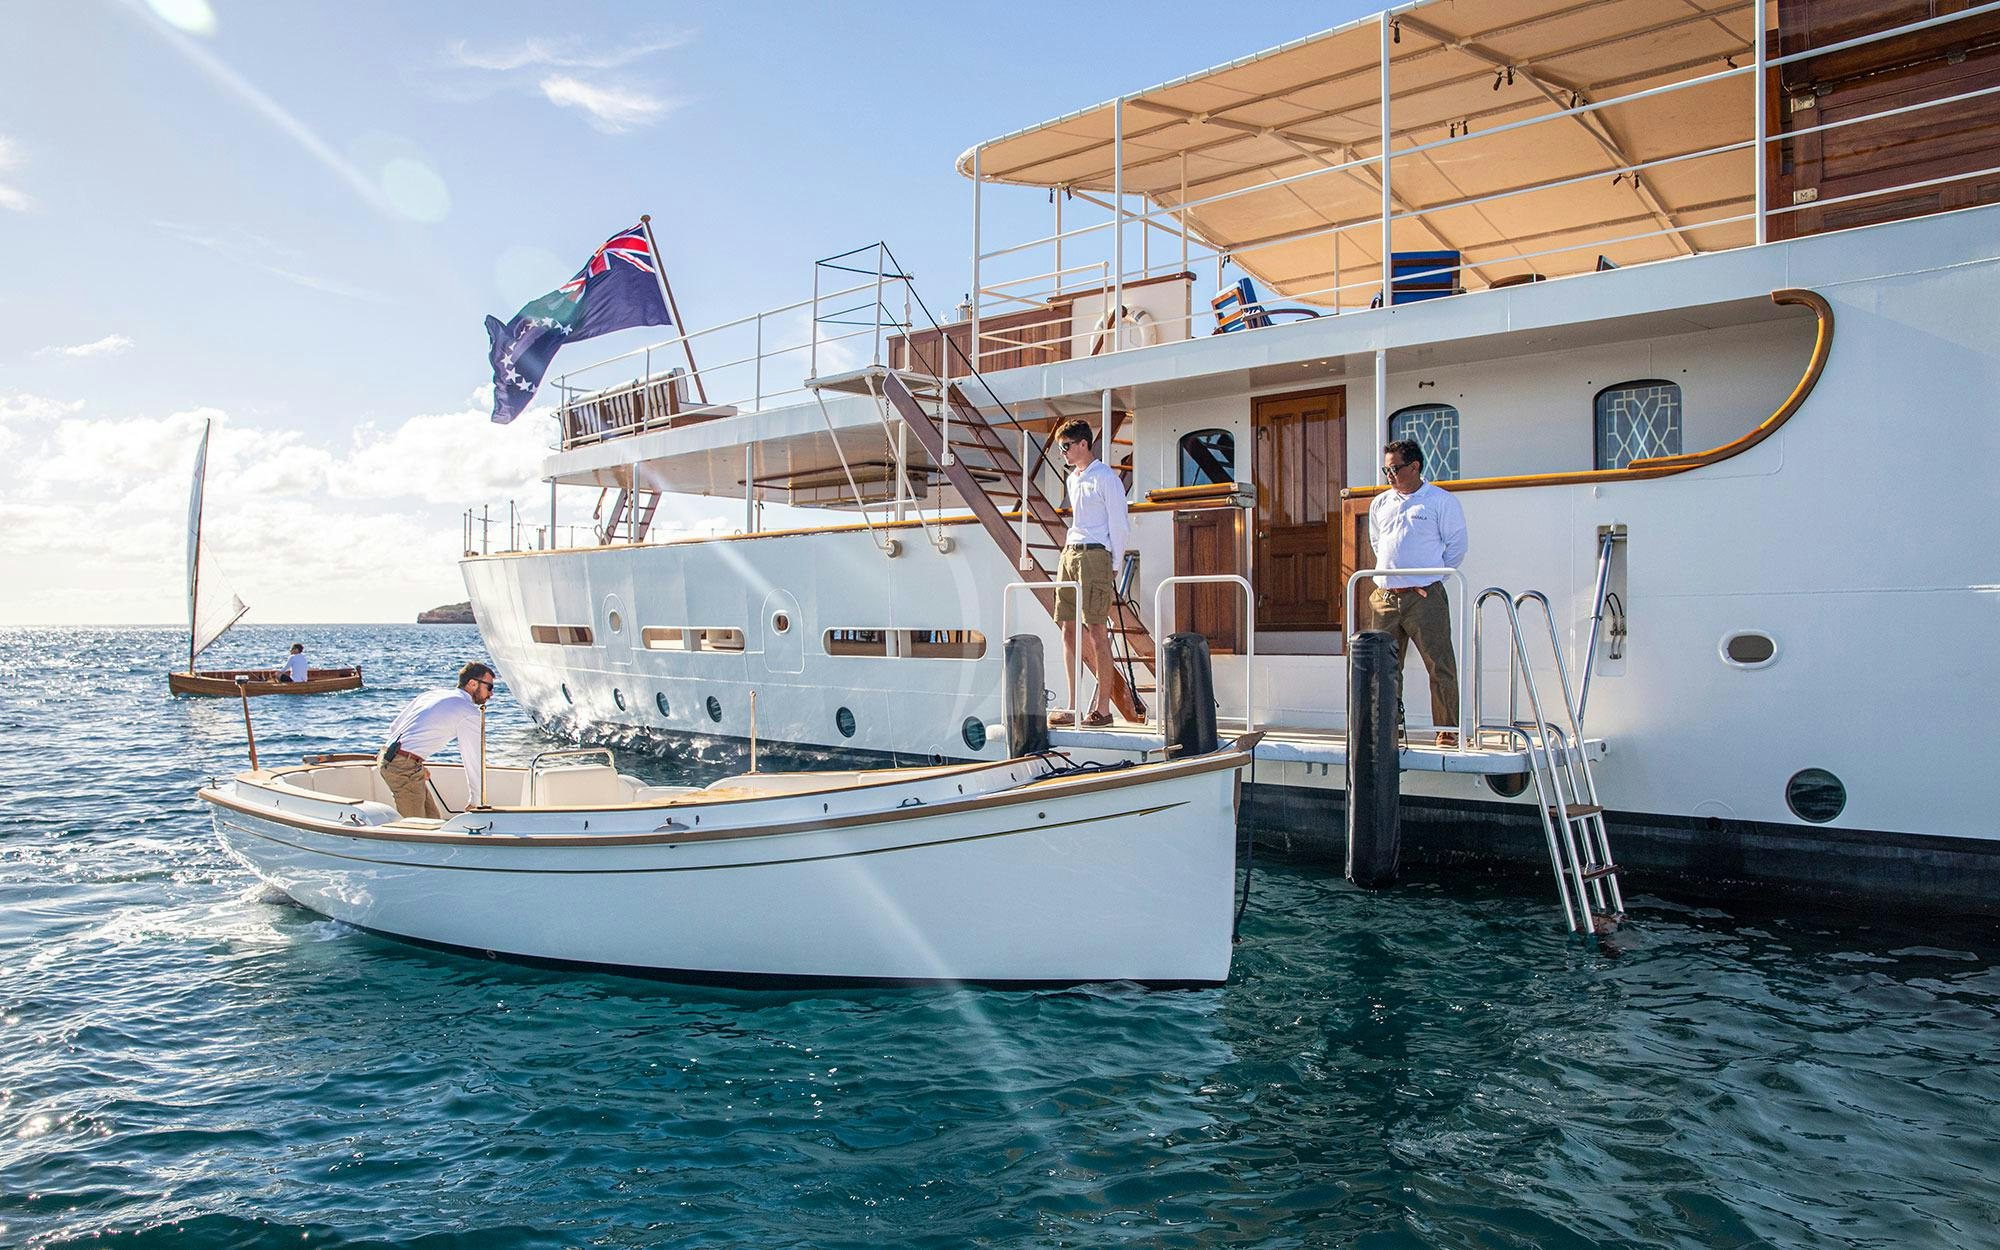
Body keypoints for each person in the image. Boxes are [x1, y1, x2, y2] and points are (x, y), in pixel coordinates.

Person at [1368, 440, 1469, 747]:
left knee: (1439, 663)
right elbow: (1377, 542)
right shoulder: (1380, 503)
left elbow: (1456, 547)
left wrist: (1427, 580)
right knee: (1383, 668)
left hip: (1424, 597)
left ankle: (1447, 729)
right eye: (1386, 469)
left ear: (1414, 467)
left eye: (1395, 468)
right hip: (1385, 597)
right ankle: (1388, 728)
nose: (1389, 474)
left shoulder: (1440, 501)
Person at [1038, 418, 1132, 727]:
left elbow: (1119, 523)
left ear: (1083, 445)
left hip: (1095, 555)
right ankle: (1073, 705)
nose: (1062, 452)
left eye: (1066, 447)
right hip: (1071, 552)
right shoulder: (1073, 479)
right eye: (1060, 447)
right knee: (1067, 627)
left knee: (1096, 631)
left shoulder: (1106, 478)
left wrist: (1115, 563)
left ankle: (1103, 709)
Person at [376, 662, 496, 818]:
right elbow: (473, 758)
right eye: (490, 688)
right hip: (402, 766)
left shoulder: (432, 694)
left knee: (433, 819)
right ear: (473, 683)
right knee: (415, 828)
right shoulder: (468, 711)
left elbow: (395, 727)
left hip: (390, 756)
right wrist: (476, 800)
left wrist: (414, 760)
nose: (491, 694)